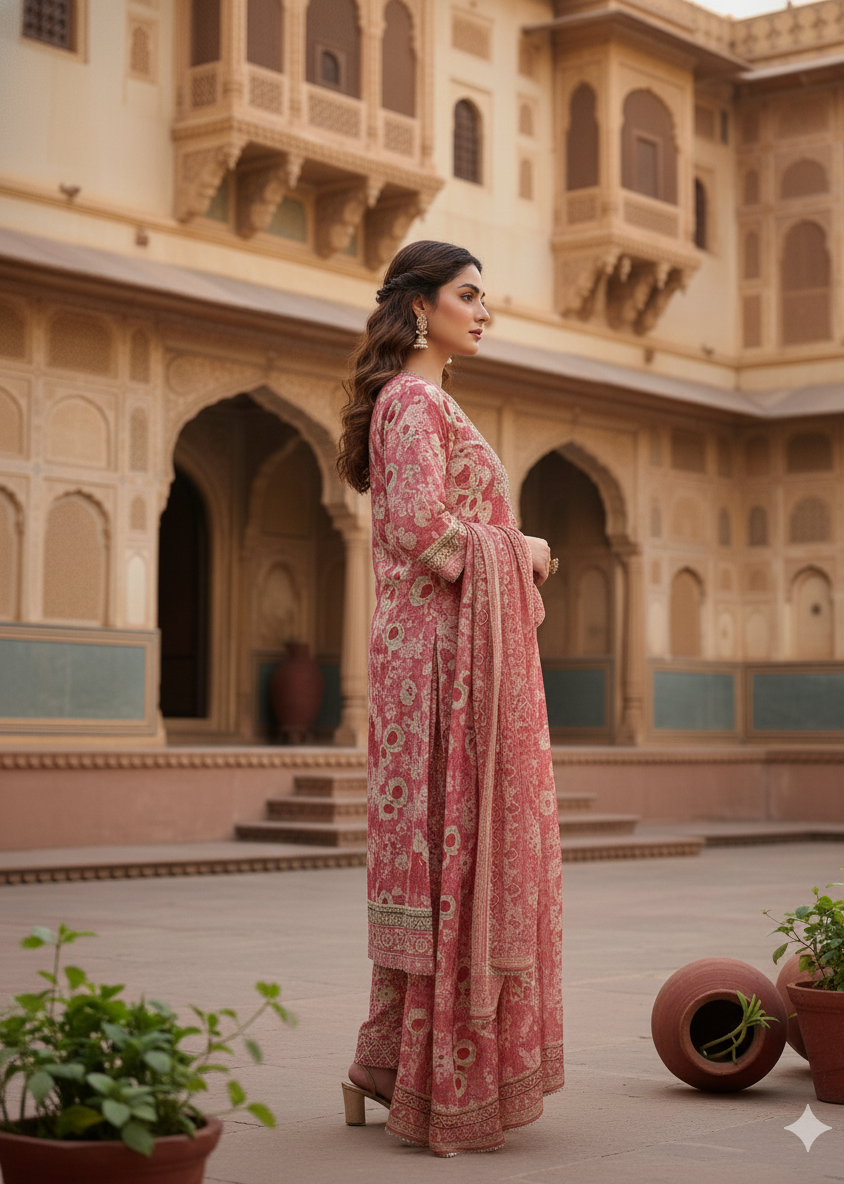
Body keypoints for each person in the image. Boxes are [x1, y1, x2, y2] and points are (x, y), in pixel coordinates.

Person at [336, 241, 563, 1157]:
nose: (484, 310)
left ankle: (384, 1065)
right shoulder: (413, 402)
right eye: (469, 295)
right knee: (451, 859)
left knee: (446, 861)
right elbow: (424, 534)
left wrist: (507, 549)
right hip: (436, 665)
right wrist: (529, 549)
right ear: (420, 307)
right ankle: (430, 1076)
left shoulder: (423, 403)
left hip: (437, 655)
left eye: (486, 297)